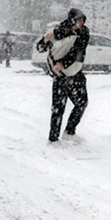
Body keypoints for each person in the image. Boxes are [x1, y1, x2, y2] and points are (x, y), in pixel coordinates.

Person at [36, 8, 90, 143]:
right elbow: (40, 48)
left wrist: (63, 63)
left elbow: (78, 51)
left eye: (82, 21)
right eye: (78, 20)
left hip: (75, 72)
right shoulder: (57, 31)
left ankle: (69, 132)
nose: (81, 23)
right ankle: (53, 139)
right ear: (72, 20)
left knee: (82, 102)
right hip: (60, 75)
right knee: (58, 108)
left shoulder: (83, 32)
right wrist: (44, 41)